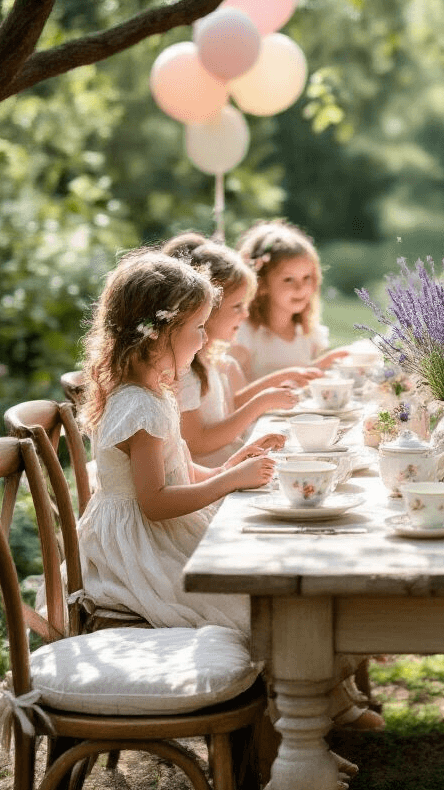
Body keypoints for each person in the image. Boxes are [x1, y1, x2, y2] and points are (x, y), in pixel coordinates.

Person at [75, 249, 383, 760]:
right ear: (159, 333)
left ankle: (303, 725)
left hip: (158, 530)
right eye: (197, 327)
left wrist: (229, 466)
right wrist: (227, 482)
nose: (202, 341)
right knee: (263, 607)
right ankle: (291, 743)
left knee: (277, 565)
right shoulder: (139, 404)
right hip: (139, 553)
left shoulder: (153, 389)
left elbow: (178, 470)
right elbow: (154, 503)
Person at [161, 234, 319, 467]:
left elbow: (229, 408)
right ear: (204, 310)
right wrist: (261, 403)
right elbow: (199, 441)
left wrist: (280, 379)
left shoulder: (206, 359)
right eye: (237, 306)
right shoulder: (185, 370)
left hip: (229, 467)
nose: (245, 314)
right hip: (212, 481)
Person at [231, 220, 349, 380]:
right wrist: (315, 368)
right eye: (288, 279)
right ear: (262, 283)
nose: (300, 288)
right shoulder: (244, 335)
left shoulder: (310, 334)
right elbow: (235, 399)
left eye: (307, 277)